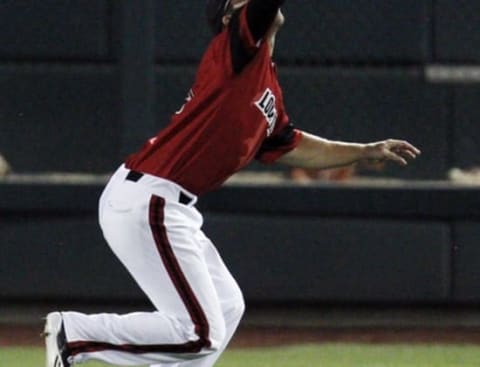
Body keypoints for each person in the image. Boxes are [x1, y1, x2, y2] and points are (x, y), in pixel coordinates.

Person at [44, 0, 421, 366]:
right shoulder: (237, 50)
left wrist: (362, 150)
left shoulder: (262, 80)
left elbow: (291, 146)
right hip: (150, 198)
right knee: (199, 332)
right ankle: (74, 335)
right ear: (230, 17)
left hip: (166, 203)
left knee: (226, 306)